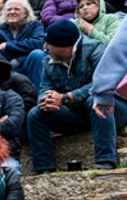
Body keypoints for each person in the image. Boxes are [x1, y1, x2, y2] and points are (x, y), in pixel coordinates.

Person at [26, 18, 127, 172]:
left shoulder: (97, 49)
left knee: (96, 100)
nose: (45, 47)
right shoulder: (48, 61)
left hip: (112, 111)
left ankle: (105, 162)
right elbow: (44, 88)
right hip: (76, 115)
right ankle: (44, 169)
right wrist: (47, 100)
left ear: (65, 47)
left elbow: (103, 84)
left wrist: (67, 97)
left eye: (49, 44)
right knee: (36, 113)